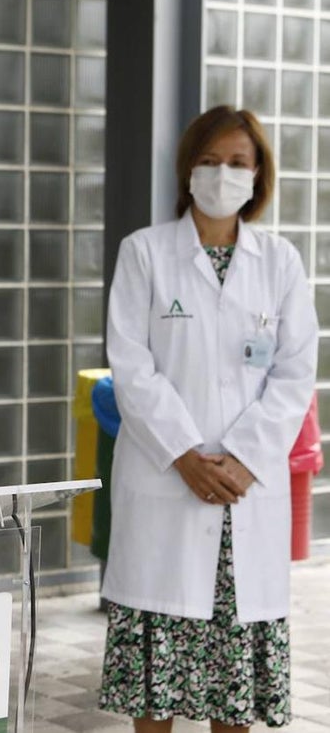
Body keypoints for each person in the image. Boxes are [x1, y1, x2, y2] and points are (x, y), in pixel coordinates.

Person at [99, 105, 318, 732]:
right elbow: (131, 365)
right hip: (169, 480)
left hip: (245, 491)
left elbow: (296, 372)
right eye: (211, 160)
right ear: (187, 168)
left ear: (259, 175)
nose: (224, 173)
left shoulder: (279, 262)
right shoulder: (144, 253)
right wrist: (187, 455)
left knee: (233, 687)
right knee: (154, 682)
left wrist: (245, 457)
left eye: (239, 163)